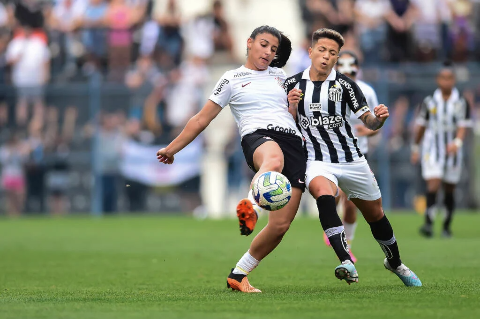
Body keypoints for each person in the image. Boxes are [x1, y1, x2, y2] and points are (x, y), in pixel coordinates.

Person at [157, 26, 306, 293]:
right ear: (249, 43)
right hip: (259, 138)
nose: (268, 52)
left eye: (273, 49)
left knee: (281, 226)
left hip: (293, 143)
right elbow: (202, 118)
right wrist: (172, 149)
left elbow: (289, 116)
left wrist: (293, 104)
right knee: (273, 160)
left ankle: (239, 274)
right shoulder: (232, 78)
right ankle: (250, 209)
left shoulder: (281, 76)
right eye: (263, 45)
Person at [287, 28, 422, 286]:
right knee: (324, 196)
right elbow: (285, 124)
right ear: (311, 52)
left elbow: (368, 122)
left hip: (352, 159)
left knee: (376, 215)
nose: (326, 56)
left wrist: (379, 120)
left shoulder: (347, 86)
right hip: (317, 159)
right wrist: (291, 106)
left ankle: (395, 263)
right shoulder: (291, 85)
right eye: (322, 50)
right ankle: (346, 260)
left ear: (337, 58)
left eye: (332, 53)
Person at [321, 50, 379, 263]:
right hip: (332, 152)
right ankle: (332, 227)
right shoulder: (328, 89)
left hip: (358, 153)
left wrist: (369, 130)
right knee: (333, 194)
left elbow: (376, 124)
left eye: (350, 67)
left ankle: (348, 244)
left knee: (353, 203)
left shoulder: (367, 91)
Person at [411, 61, 472, 238]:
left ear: (454, 80)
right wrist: (415, 147)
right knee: (433, 182)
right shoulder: (429, 102)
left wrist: (457, 143)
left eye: (450, 78)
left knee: (450, 188)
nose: (446, 82)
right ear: (438, 80)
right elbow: (421, 126)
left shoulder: (461, 102)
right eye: (443, 78)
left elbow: (463, 127)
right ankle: (428, 223)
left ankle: (446, 226)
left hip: (452, 150)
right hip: (432, 148)